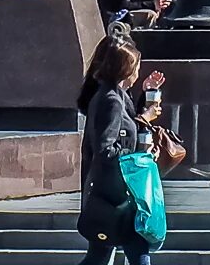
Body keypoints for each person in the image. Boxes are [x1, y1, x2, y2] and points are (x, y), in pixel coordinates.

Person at [77, 38, 161, 265]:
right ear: (126, 70)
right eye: (136, 67)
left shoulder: (115, 95)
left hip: (113, 189)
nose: (138, 73)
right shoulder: (111, 100)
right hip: (117, 192)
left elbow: (125, 129)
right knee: (136, 248)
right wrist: (137, 157)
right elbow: (105, 148)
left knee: (100, 254)